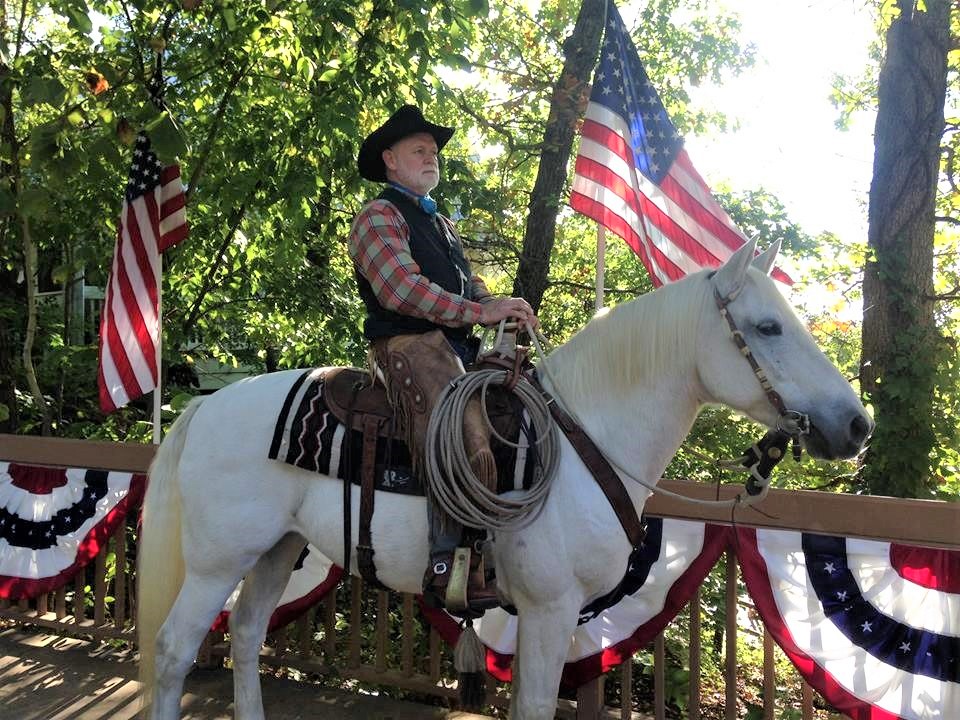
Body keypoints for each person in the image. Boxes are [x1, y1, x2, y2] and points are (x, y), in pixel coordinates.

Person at [348, 105, 538, 609]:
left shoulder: (444, 226)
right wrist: (479, 311)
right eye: (419, 150)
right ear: (390, 160)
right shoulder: (378, 215)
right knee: (466, 431)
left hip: (454, 346)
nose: (431, 157)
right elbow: (400, 290)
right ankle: (451, 567)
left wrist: (503, 309)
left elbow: (469, 286)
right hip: (408, 345)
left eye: (434, 151)